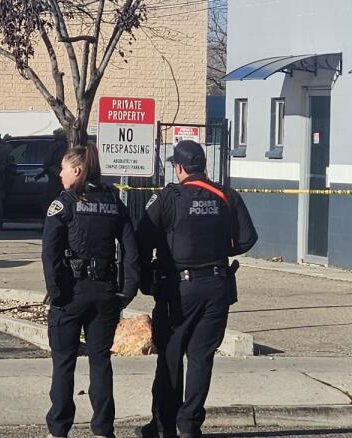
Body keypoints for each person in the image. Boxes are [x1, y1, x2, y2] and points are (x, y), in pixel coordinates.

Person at [136, 140, 258, 438]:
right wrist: (219, 249)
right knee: (201, 358)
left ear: (178, 167)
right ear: (203, 166)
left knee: (170, 356)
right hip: (216, 287)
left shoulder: (167, 197)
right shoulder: (226, 195)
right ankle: (189, 425)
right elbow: (247, 239)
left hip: (178, 289)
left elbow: (142, 239)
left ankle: (164, 425)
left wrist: (145, 279)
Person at [42, 143, 139, 438]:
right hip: (105, 293)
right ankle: (103, 429)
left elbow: (50, 253)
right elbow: (131, 249)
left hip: (71, 294)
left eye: (63, 168)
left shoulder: (64, 203)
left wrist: (56, 292)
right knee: (100, 362)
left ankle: (59, 429)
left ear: (77, 170)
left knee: (64, 362)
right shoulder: (113, 202)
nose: (59, 174)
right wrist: (127, 290)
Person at [41, 128, 69, 207]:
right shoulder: (67, 145)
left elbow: (47, 161)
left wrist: (47, 170)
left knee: (50, 198)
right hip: (63, 174)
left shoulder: (54, 146)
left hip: (56, 175)